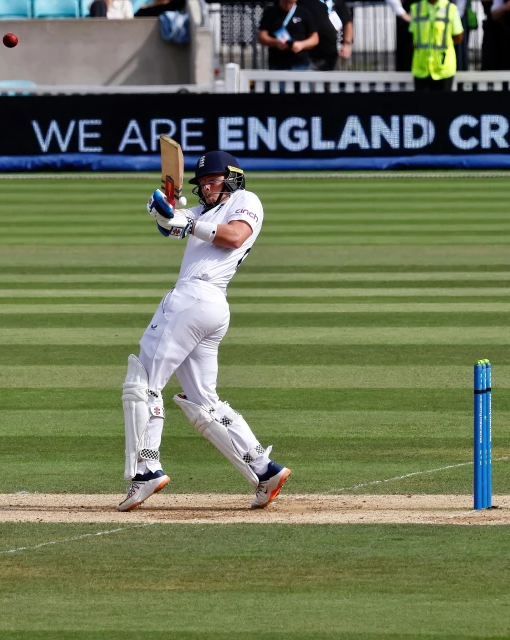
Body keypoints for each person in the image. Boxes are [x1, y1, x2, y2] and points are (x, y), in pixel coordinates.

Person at [117, 151, 292, 512]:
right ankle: (263, 469)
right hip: (208, 307)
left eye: (211, 183)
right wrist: (162, 209)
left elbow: (233, 236)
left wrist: (183, 222)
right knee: (203, 401)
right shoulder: (204, 211)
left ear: (231, 178)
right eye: (202, 185)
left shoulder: (246, 201)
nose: (206, 190)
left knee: (143, 383)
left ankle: (146, 469)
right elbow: (172, 225)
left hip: (194, 298)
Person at [409, 0, 464, 90]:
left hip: (443, 68)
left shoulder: (451, 8)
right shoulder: (415, 8)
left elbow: (458, 37)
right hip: (421, 68)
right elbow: (412, 36)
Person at [258, 0, 319, 71]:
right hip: (277, 64)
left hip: (300, 64)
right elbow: (262, 36)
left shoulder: (304, 12)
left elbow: (315, 38)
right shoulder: (270, 13)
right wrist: (275, 42)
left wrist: (301, 45)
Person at [299, 0, 354, 70]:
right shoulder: (306, 3)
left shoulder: (338, 2)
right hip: (311, 55)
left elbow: (347, 22)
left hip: (335, 53)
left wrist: (347, 44)